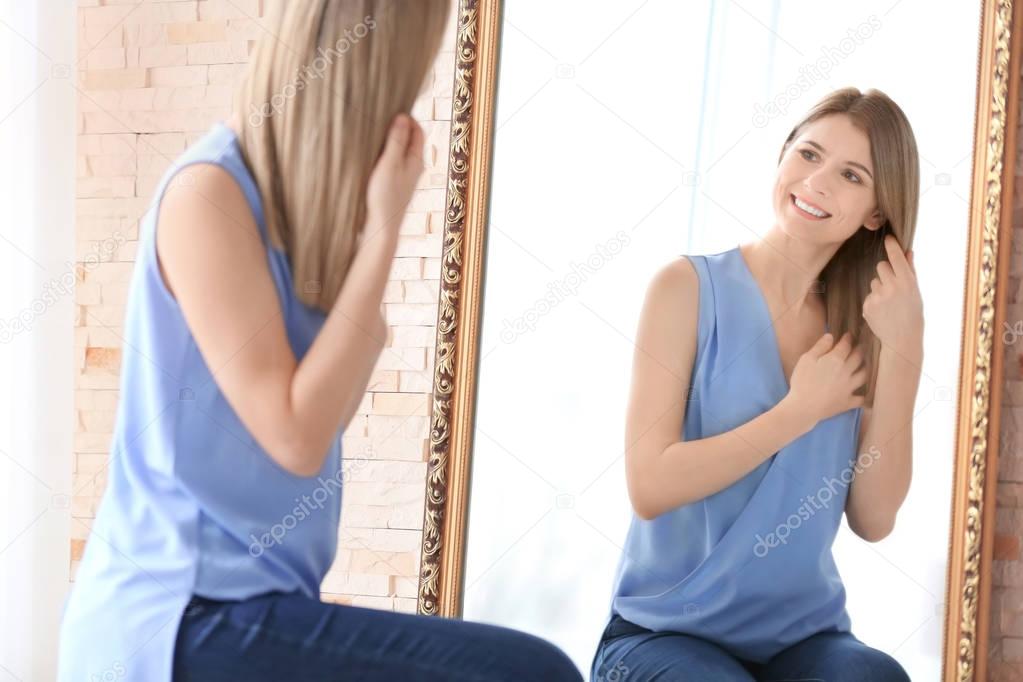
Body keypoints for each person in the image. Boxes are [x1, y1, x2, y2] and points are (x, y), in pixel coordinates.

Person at [56, 3, 581, 681]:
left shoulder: (293, 224)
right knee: (529, 674)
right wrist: (385, 230)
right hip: (176, 618)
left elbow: (325, 406)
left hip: (252, 608)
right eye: (405, 80)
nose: (411, 104)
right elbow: (298, 438)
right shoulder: (206, 197)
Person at [590, 87, 923, 681]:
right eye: (809, 154)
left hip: (804, 644)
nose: (817, 181)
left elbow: (873, 519)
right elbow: (650, 484)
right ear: (783, 156)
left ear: (877, 212)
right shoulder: (686, 290)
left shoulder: (862, 332)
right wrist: (799, 410)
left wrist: (905, 349)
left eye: (850, 175)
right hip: (662, 634)